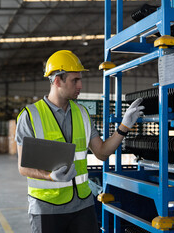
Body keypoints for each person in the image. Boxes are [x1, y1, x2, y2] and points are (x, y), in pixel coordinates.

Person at [15, 50, 144, 233]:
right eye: (75, 80)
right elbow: (23, 167)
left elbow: (101, 152)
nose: (81, 85)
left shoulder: (82, 113)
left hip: (82, 206)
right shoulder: (30, 116)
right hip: (47, 208)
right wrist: (50, 177)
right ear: (57, 81)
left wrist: (124, 126)